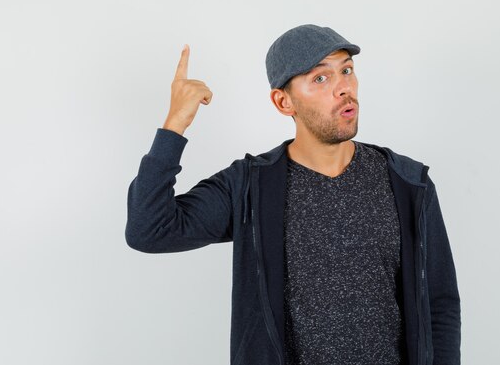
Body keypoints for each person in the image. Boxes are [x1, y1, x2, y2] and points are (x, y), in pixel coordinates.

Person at [125, 24, 461, 365]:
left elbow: (440, 304)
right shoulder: (249, 187)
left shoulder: (408, 182)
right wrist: (174, 125)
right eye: (321, 78)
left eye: (346, 70)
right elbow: (148, 230)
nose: (343, 87)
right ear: (284, 102)